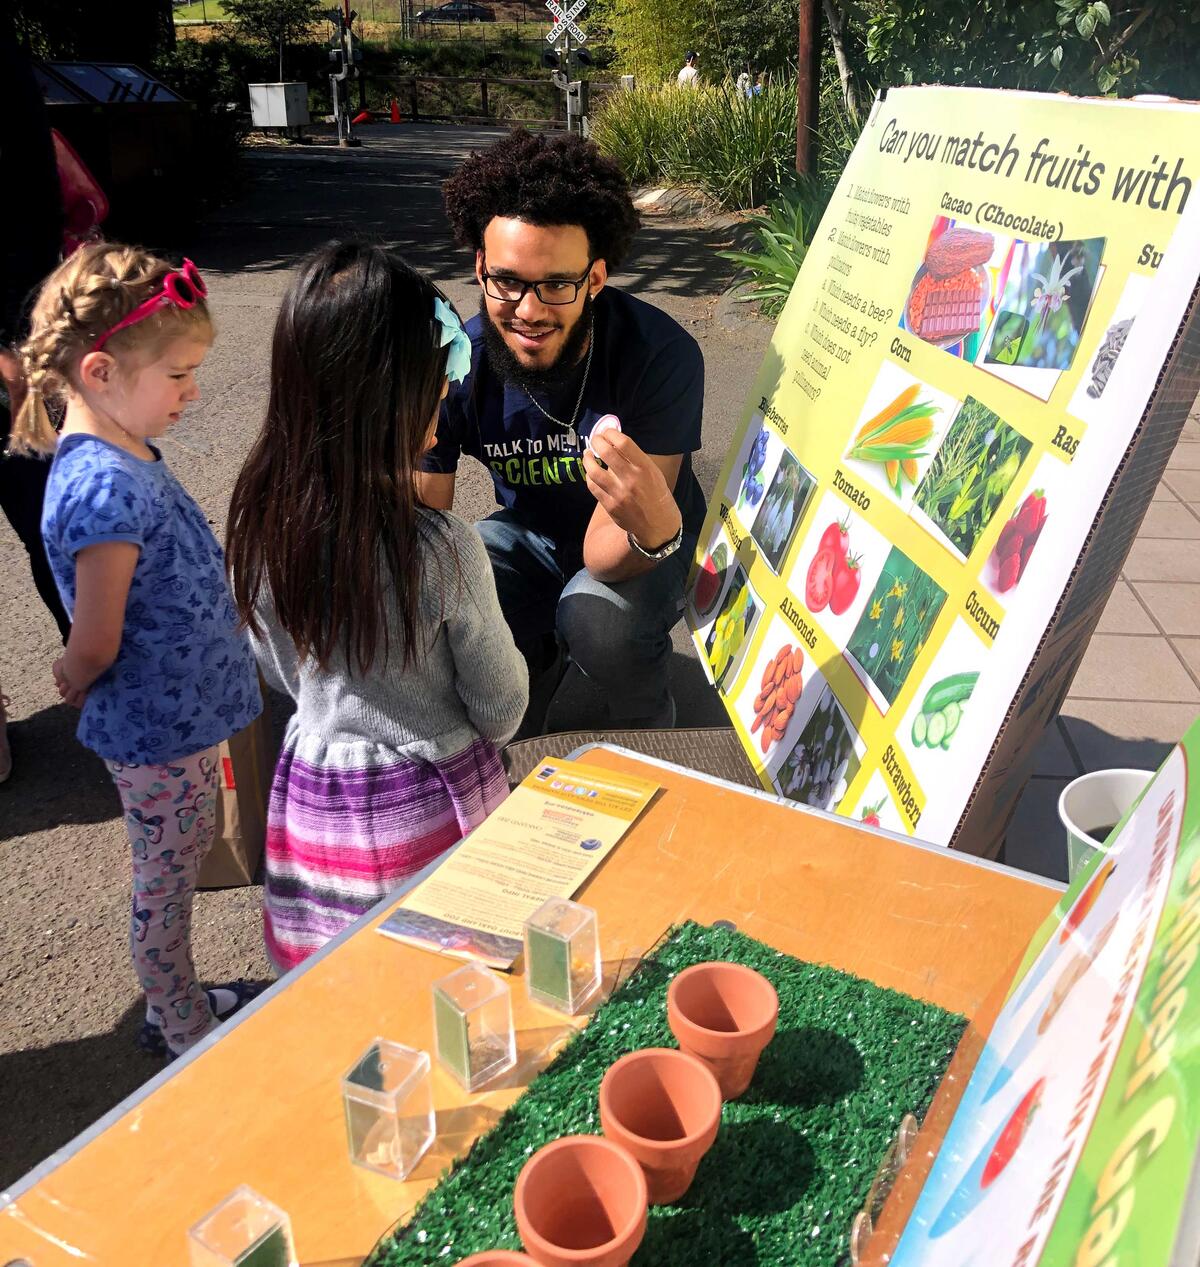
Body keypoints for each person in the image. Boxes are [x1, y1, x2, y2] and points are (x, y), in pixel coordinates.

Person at [226, 242, 528, 973]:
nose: (450, 396)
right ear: (392, 402)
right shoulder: (443, 547)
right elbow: (502, 707)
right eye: (440, 380)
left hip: (314, 804)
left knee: (338, 983)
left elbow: (279, 671)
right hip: (429, 809)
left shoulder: (262, 531)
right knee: (443, 981)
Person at [13, 242, 263, 1059]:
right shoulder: (103, 485)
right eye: (179, 374)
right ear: (101, 372)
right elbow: (96, 632)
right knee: (165, 876)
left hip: (175, 715)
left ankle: (177, 1000)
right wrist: (73, 673)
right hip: (156, 728)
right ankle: (175, 1016)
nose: (194, 391)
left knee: (179, 857)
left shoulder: (123, 452)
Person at [423, 129, 706, 732]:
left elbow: (606, 555)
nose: (528, 310)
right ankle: (527, 681)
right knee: (452, 599)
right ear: (479, 268)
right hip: (527, 531)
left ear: (596, 279)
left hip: (645, 539)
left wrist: (652, 537)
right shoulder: (454, 364)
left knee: (595, 615)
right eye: (506, 281)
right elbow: (422, 527)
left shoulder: (658, 355)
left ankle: (648, 729)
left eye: (557, 284)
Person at [0, 18, 72, 782]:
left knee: (53, 520)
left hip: (6, 342)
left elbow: (27, 191)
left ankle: (105, 675)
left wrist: (17, 332)